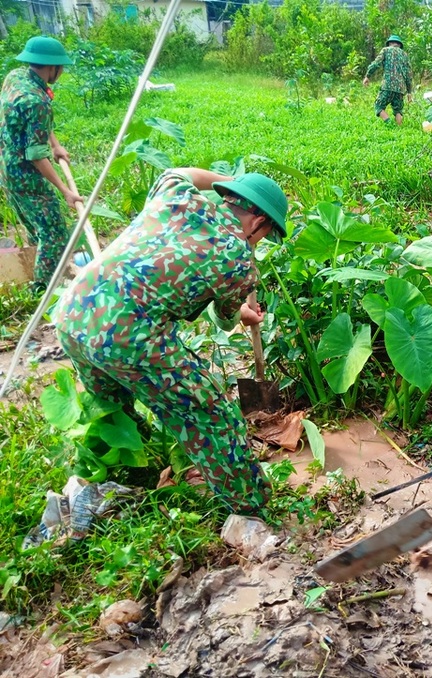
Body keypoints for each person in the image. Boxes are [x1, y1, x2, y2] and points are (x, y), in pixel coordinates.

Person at [52, 169, 289, 517]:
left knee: (114, 399)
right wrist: (244, 313)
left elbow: (176, 171)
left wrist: (229, 178)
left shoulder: (177, 194)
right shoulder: (238, 260)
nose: (260, 241)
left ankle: (132, 472)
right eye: (266, 235)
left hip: (73, 314)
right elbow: (224, 318)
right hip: (128, 337)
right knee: (212, 414)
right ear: (258, 222)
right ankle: (251, 509)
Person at [0, 36, 82, 291]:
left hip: (6, 168)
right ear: (52, 67)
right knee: (54, 231)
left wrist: (56, 145)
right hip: (26, 174)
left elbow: (35, 125)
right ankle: (43, 289)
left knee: (37, 226)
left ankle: (39, 263)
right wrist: (66, 191)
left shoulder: (15, 77)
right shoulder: (37, 101)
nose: (62, 71)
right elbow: (36, 155)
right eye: (61, 67)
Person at [363, 34, 413, 125]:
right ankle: (399, 129)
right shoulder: (405, 55)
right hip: (400, 88)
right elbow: (409, 74)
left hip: (387, 85)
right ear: (400, 45)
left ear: (389, 43)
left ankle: (389, 123)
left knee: (378, 106)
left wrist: (367, 76)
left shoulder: (385, 50)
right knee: (398, 110)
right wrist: (409, 92)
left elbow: (376, 64)